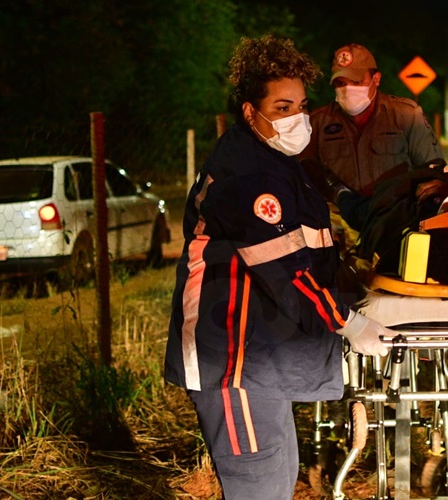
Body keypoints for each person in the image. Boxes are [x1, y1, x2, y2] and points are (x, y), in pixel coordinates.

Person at [164, 35, 393, 500]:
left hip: (259, 357)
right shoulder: (249, 174)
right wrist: (348, 323)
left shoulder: (277, 163)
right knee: (259, 483)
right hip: (233, 360)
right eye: (282, 106)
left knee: (279, 473)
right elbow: (287, 274)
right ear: (251, 112)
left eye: (302, 106)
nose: (297, 119)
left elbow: (311, 251)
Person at [298, 42, 445, 197]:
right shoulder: (318, 122)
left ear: (376, 79)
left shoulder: (406, 115)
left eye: (357, 81)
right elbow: (304, 175)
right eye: (340, 83)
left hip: (394, 216)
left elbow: (433, 172)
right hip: (339, 218)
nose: (348, 90)